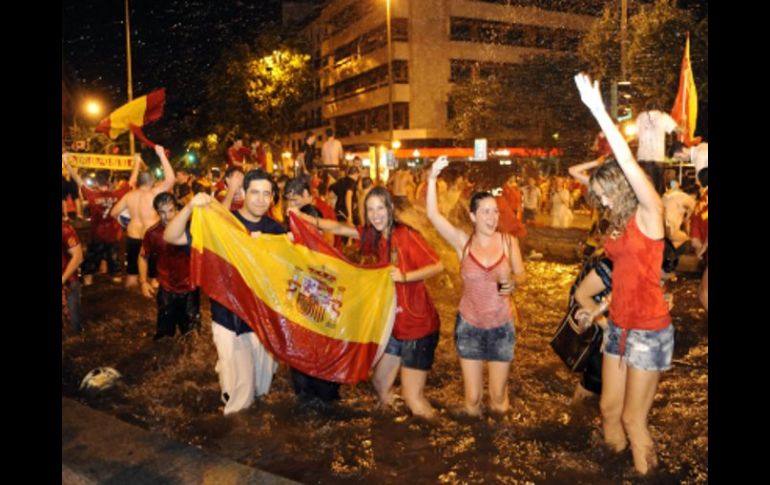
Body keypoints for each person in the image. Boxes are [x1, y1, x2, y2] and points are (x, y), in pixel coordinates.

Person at [574, 73, 673, 475]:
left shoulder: (651, 214)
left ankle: (650, 476)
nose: (598, 200)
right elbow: (627, 277)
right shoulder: (617, 224)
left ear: (620, 186)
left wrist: (598, 110)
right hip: (618, 325)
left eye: (602, 193)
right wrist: (597, 312)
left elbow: (628, 162)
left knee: (634, 420)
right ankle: (617, 470)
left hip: (649, 330)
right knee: (608, 410)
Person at [289, 187, 444, 419]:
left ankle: (432, 434)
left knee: (413, 398)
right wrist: (304, 217)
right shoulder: (374, 236)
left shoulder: (405, 235)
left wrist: (404, 276)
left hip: (419, 327)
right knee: (381, 384)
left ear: (390, 208)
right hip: (394, 324)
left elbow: (438, 265)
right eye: (370, 209)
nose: (376, 214)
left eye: (380, 208)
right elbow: (340, 228)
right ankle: (395, 432)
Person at [164, 169, 285, 415]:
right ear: (243, 193)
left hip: (263, 323)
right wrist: (189, 208)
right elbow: (171, 235)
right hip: (230, 322)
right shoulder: (221, 225)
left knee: (262, 390)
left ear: (272, 196)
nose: (261, 199)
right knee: (241, 398)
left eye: (266, 194)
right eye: (255, 193)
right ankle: (236, 444)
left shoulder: (277, 231)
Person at [426, 156, 526, 416]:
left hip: (501, 326)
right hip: (469, 326)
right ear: (473, 216)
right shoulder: (463, 243)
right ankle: (476, 449)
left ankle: (501, 447)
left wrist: (513, 282)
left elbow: (522, 275)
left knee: (497, 396)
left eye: (495, 211)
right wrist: (432, 178)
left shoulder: (508, 242)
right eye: (486, 212)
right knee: (472, 399)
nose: (493, 217)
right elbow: (433, 215)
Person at [63, 153, 140, 286]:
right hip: (114, 236)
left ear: (97, 183)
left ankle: (91, 279)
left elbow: (77, 179)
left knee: (88, 274)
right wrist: (137, 162)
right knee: (116, 273)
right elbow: (132, 181)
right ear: (109, 182)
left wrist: (66, 162)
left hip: (97, 236)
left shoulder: (92, 195)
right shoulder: (118, 194)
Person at [110, 145, 176, 288]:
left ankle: (137, 283)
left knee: (132, 273)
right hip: (150, 235)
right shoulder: (154, 193)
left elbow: (113, 213)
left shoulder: (129, 196)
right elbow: (171, 179)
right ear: (152, 181)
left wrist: (124, 223)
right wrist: (161, 155)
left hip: (133, 234)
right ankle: (150, 282)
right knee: (155, 277)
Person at [139, 192, 199, 340]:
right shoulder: (152, 233)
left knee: (192, 336)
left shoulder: (191, 228)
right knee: (164, 337)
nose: (167, 216)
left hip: (190, 289)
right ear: (157, 212)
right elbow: (143, 256)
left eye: (171, 210)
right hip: (166, 289)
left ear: (176, 208)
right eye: (162, 212)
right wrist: (143, 282)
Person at [635, 102, 682, 194]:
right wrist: (684, 121)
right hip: (657, 157)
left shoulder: (640, 117)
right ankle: (659, 202)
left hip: (643, 157)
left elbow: (637, 134)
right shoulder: (663, 116)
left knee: (645, 185)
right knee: (658, 186)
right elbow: (679, 131)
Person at [62, 221, 84, 334]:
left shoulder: (65, 229)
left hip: (68, 283)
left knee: (73, 329)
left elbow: (78, 256)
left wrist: (62, 279)